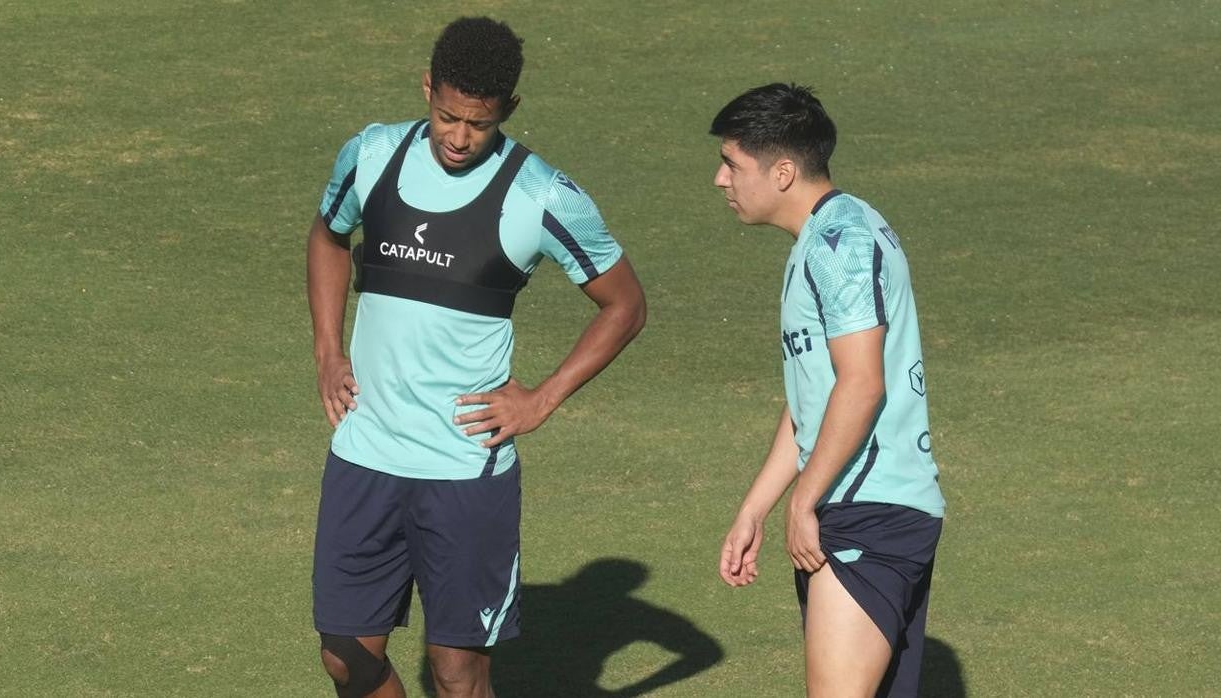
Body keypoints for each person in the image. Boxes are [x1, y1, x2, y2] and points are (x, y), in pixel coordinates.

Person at [305, 17, 646, 698]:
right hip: (366, 452)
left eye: (479, 124)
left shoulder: (541, 194)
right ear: (427, 87)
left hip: (465, 472)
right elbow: (328, 235)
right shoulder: (371, 155)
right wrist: (326, 350)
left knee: (457, 674)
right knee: (345, 654)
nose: (459, 138)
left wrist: (541, 399)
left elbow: (625, 305)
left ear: (509, 110)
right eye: (447, 117)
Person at [712, 83, 945, 697]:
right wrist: (755, 507)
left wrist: (803, 501)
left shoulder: (842, 244)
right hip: (865, 507)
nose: (720, 179)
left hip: (868, 510)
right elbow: (817, 401)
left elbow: (863, 385)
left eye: (733, 163)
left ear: (782, 170)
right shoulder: (824, 239)